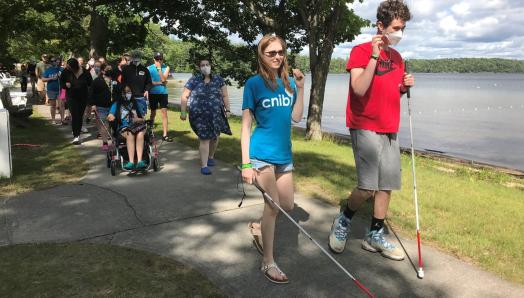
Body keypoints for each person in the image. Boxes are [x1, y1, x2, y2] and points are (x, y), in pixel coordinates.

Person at [328, 0, 414, 261]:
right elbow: (360, 89)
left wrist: (403, 87)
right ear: (381, 26)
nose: (400, 33)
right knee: (367, 187)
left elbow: (388, 94)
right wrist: (375, 55)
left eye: (403, 28)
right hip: (364, 124)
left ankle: (374, 235)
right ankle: (344, 220)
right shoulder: (360, 51)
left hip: (389, 126)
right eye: (396, 27)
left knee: (386, 185)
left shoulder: (398, 58)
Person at [240, 34, 305, 284]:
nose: (277, 57)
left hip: (283, 155)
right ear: (262, 56)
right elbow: (245, 127)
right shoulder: (253, 84)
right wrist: (246, 163)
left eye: (280, 52)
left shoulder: (288, 84)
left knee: (286, 205)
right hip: (260, 154)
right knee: (274, 205)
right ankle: (268, 261)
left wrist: (300, 88)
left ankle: (258, 227)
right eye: (271, 53)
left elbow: (297, 117)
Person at [180, 58, 232, 175]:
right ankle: (204, 166)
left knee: (215, 137)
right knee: (204, 138)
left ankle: (211, 156)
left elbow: (225, 96)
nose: (205, 67)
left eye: (207, 64)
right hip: (199, 114)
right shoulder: (194, 80)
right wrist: (183, 112)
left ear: (211, 66)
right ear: (199, 68)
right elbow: (184, 96)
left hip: (216, 114)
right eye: (202, 65)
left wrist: (227, 110)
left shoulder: (218, 79)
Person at [107, 85, 148, 170]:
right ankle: (131, 162)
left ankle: (140, 161)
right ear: (121, 93)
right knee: (130, 134)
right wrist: (111, 117)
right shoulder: (116, 104)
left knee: (140, 134)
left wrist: (138, 119)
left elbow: (143, 119)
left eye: (129, 91)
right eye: (125, 92)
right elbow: (110, 115)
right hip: (124, 128)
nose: (127, 94)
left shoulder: (137, 104)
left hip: (138, 127)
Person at [60, 58, 92, 145]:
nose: (67, 67)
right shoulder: (65, 72)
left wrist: (90, 98)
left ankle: (78, 131)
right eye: (67, 66)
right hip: (71, 97)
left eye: (69, 66)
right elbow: (61, 84)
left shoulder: (85, 72)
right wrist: (65, 87)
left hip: (83, 97)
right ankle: (76, 136)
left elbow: (90, 84)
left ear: (75, 66)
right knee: (75, 115)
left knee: (80, 115)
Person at [147, 52, 173, 142]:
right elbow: (149, 83)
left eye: (160, 59)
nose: (159, 61)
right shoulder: (149, 68)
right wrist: (160, 83)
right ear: (154, 59)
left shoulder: (166, 67)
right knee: (153, 113)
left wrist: (159, 69)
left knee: (164, 113)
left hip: (163, 93)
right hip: (153, 93)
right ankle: (150, 131)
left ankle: (165, 135)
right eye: (157, 59)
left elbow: (163, 79)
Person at [121, 50, 151, 122]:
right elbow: (122, 82)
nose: (136, 59)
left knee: (141, 117)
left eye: (137, 56)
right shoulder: (125, 69)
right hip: (128, 98)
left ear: (140, 58)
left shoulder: (145, 70)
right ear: (131, 57)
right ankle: (128, 131)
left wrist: (147, 90)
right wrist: (124, 91)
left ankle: (141, 131)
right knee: (127, 117)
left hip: (140, 97)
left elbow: (149, 82)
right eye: (134, 56)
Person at [89, 63, 113, 151]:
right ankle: (105, 142)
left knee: (112, 124)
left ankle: (114, 139)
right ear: (103, 71)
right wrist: (93, 104)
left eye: (110, 69)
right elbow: (91, 93)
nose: (109, 71)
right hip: (100, 106)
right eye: (107, 69)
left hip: (113, 106)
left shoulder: (114, 80)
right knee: (104, 125)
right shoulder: (97, 81)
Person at [42, 56, 63, 124]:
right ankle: (53, 120)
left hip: (61, 90)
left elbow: (67, 78)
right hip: (51, 90)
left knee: (62, 105)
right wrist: (51, 78)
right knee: (53, 105)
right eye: (53, 61)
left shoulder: (61, 69)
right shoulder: (48, 70)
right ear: (51, 62)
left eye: (56, 60)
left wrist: (61, 76)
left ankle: (62, 119)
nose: (55, 62)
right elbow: (43, 79)